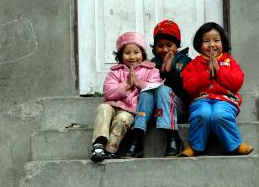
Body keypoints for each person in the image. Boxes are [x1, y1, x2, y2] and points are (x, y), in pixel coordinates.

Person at [180, 22, 254, 157]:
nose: (211, 44)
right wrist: (206, 73)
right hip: (201, 100)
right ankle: (196, 146)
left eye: (216, 40)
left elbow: (237, 83)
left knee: (220, 115)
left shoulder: (229, 62)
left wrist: (219, 70)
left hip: (225, 100)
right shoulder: (194, 64)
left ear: (223, 43)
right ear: (199, 44)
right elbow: (188, 86)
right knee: (202, 114)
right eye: (206, 41)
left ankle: (235, 145)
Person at [90, 31, 163, 162]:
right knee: (103, 108)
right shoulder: (115, 72)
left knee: (122, 119)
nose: (132, 56)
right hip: (113, 106)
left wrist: (138, 83)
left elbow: (155, 86)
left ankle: (110, 150)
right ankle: (98, 144)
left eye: (136, 52)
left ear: (143, 54)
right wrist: (126, 85)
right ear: (120, 55)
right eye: (127, 53)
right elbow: (108, 91)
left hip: (132, 110)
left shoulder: (151, 70)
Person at [124, 20, 191, 158]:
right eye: (160, 45)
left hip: (179, 109)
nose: (165, 49)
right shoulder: (151, 64)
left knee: (162, 89)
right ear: (154, 47)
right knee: (146, 93)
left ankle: (174, 137)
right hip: (155, 111)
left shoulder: (185, 61)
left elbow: (188, 87)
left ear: (177, 46)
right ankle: (137, 138)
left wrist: (171, 73)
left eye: (169, 45)